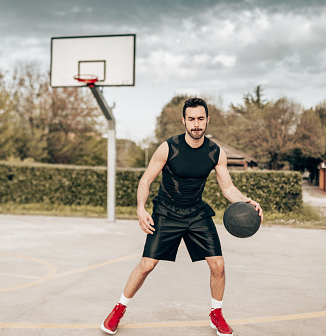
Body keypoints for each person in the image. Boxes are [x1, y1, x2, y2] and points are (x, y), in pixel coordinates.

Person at [100, 97, 263, 336]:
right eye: (191, 119)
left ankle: (216, 313)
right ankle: (119, 308)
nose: (196, 124)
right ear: (183, 121)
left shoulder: (216, 152)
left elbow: (227, 187)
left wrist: (246, 201)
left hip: (197, 213)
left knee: (218, 265)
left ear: (207, 120)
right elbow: (146, 180)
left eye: (200, 119)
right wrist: (140, 209)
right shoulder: (169, 147)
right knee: (147, 265)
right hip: (166, 212)